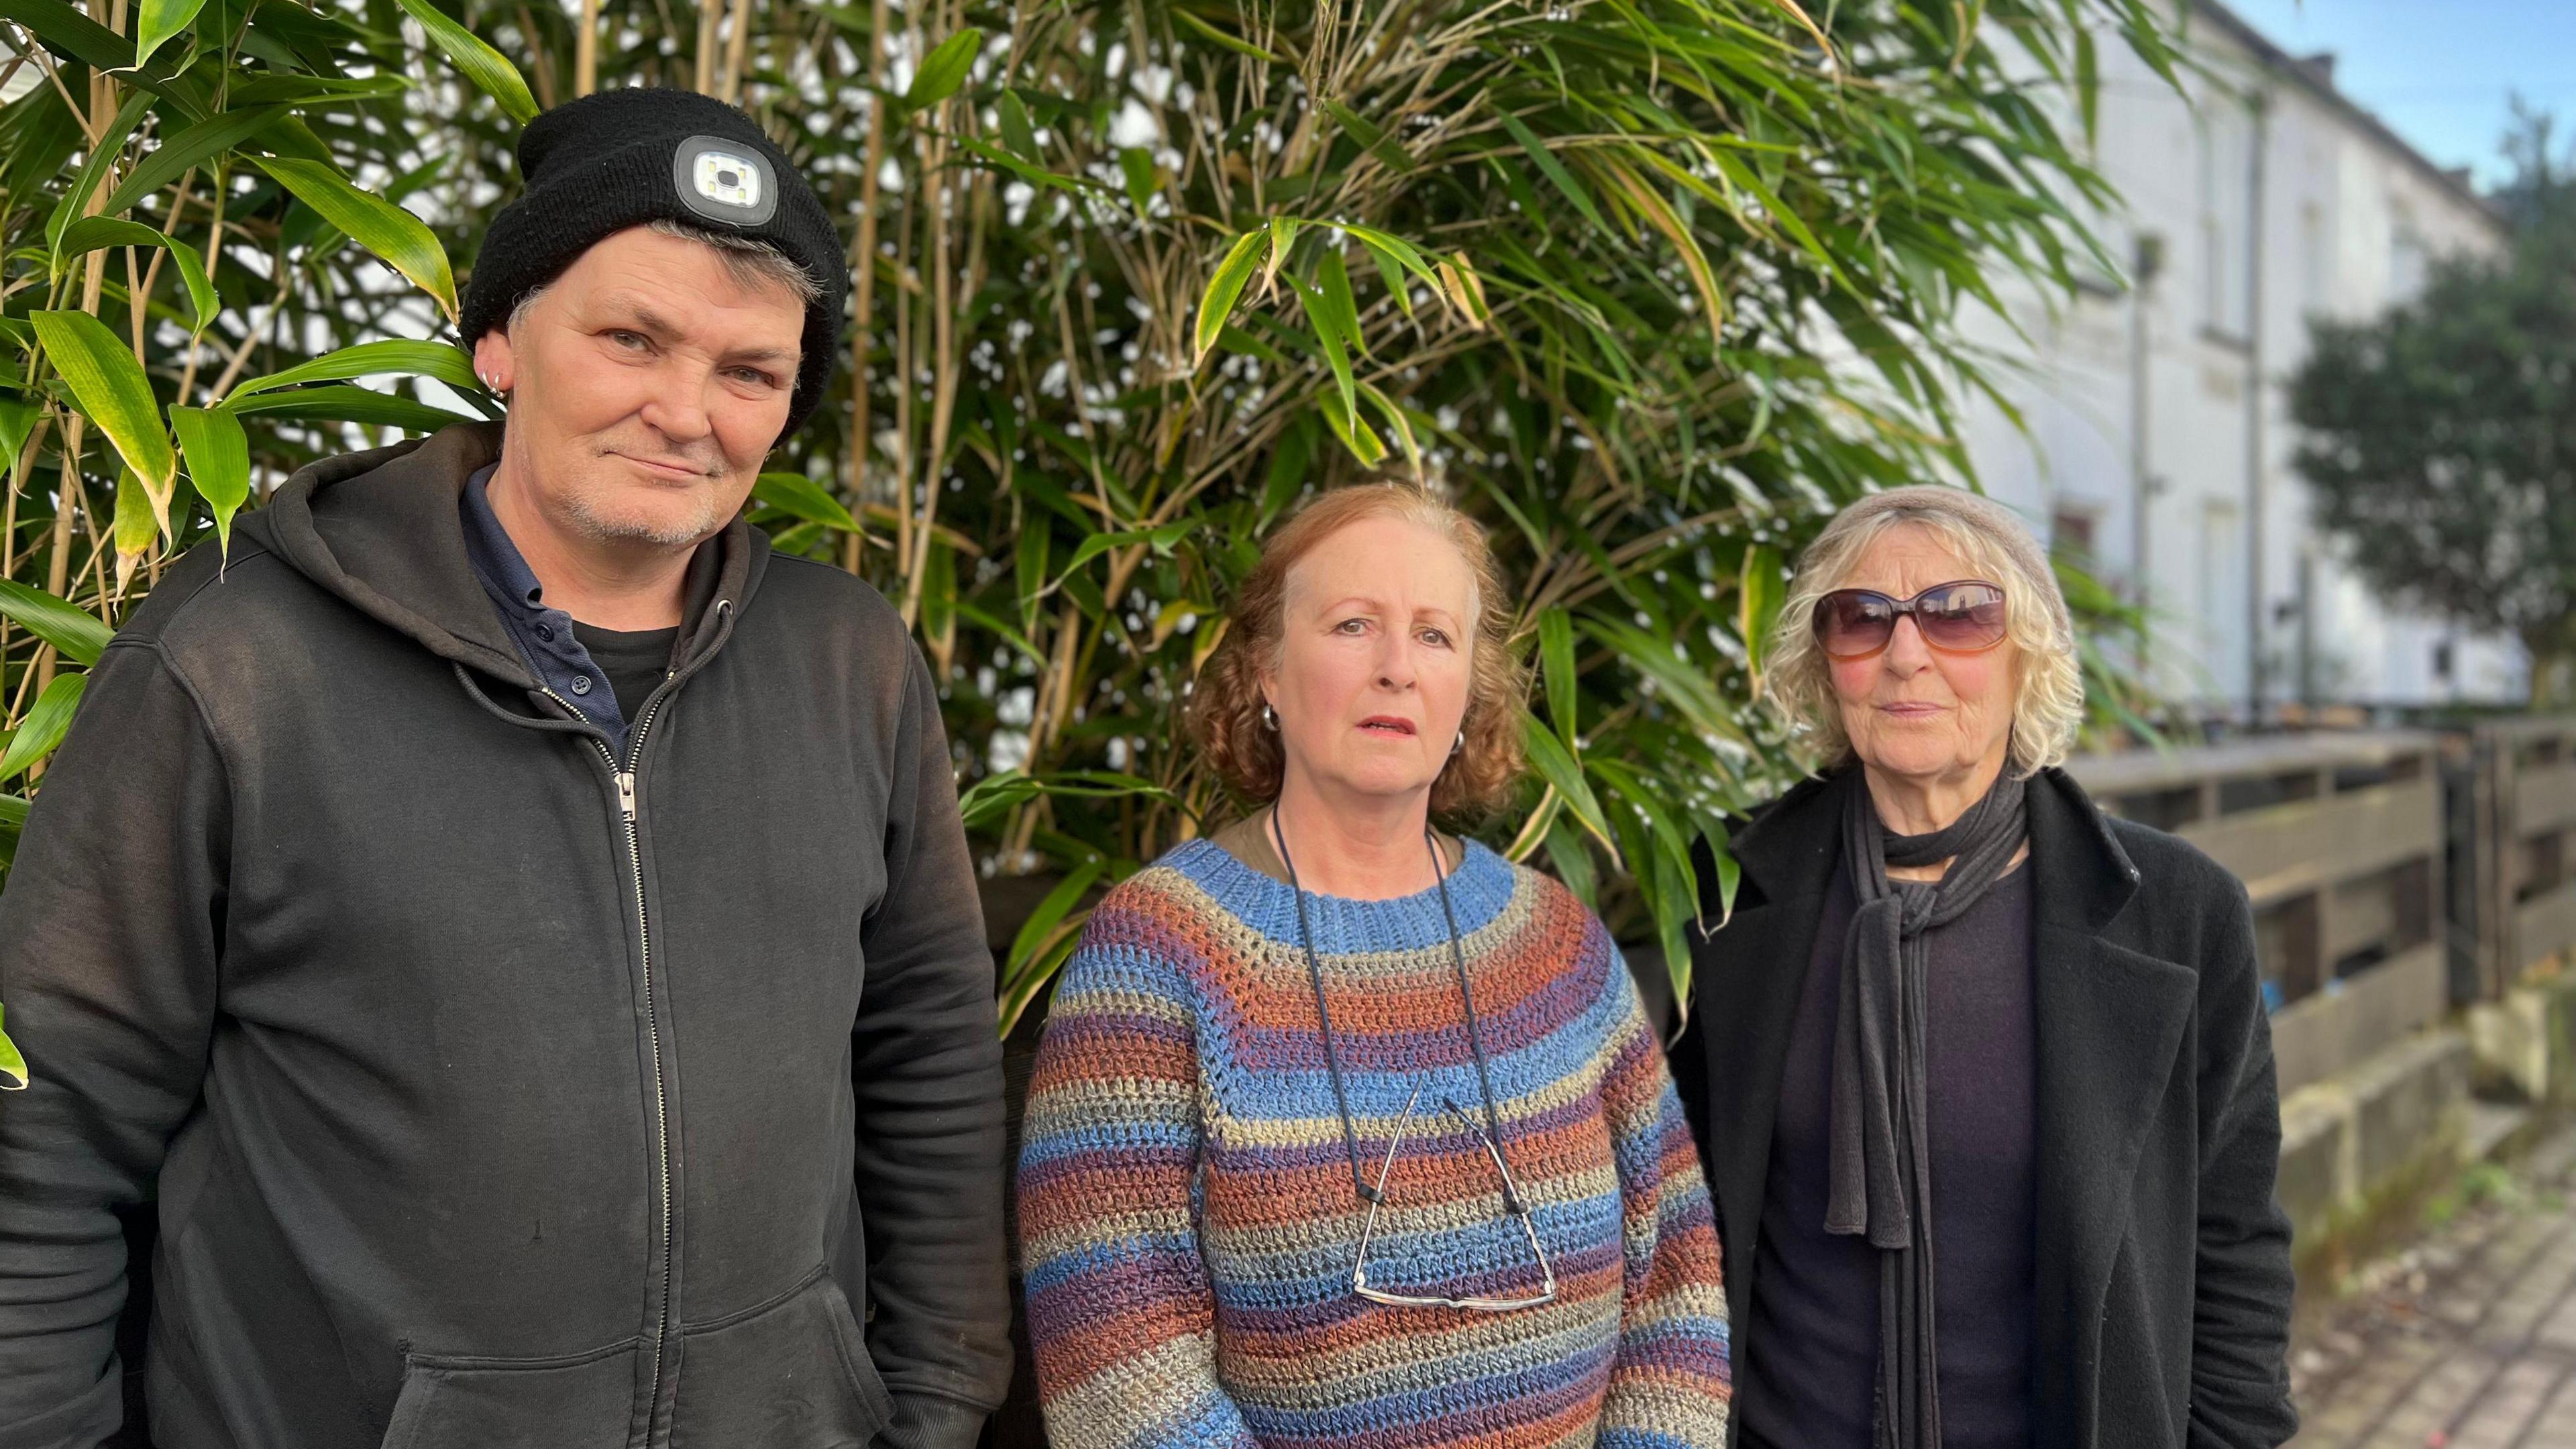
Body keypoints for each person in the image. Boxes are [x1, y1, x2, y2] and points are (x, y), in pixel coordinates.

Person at [0, 89, 1010, 1448]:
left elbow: (927, 1061)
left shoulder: (852, 665)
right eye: (629, 338)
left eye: (749, 372)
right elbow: (49, 1114)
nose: (683, 410)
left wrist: (938, 1410)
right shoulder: (241, 659)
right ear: (498, 341)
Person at [1014, 484, 1733, 1449]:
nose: (1398, 669)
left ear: (1470, 688)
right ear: (1266, 669)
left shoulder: (1557, 944)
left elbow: (1675, 1280)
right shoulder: (1155, 958)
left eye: (1436, 636)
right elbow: (1119, 1362)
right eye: (1354, 624)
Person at [1670, 485, 2296, 1449]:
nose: (1906, 653)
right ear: (1824, 666)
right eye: (1862, 619)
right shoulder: (1722, 895)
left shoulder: (2177, 912)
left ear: (2027, 658)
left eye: (1960, 614)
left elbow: (2236, 1248)